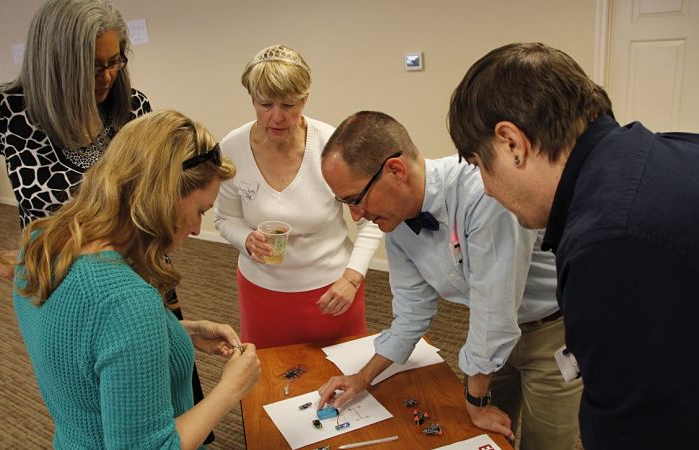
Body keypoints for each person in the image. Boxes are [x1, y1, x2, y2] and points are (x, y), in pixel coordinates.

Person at [447, 42, 699, 449]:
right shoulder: (664, 149)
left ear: (512, 142)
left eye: (479, 167)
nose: (488, 191)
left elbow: (637, 430)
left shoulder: (607, 243)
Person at [317, 111, 582, 449]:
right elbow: (412, 313)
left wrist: (477, 402)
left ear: (395, 171)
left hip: (551, 334)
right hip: (491, 338)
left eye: (355, 199)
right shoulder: (396, 221)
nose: (356, 216)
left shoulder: (483, 194)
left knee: (547, 442)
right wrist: (362, 377)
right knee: (491, 437)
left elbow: (494, 311)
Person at [14, 110, 261, 449]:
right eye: (200, 210)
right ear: (162, 196)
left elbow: (85, 350)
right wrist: (230, 389)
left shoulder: (39, 243)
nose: (196, 229)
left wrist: (177, 332)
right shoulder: (127, 302)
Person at [0, 0, 151, 281]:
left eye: (114, 61)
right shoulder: (6, 111)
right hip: (58, 281)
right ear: (55, 64)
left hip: (133, 273)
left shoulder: (133, 107)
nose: (108, 76)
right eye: (94, 67)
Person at [214, 45, 382, 348]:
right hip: (262, 293)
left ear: (305, 99)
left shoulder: (332, 145)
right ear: (252, 99)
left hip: (334, 292)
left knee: (343, 381)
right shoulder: (232, 147)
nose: (276, 117)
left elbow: (371, 219)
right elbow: (226, 218)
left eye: (289, 105)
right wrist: (245, 239)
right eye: (265, 105)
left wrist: (351, 279)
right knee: (268, 383)